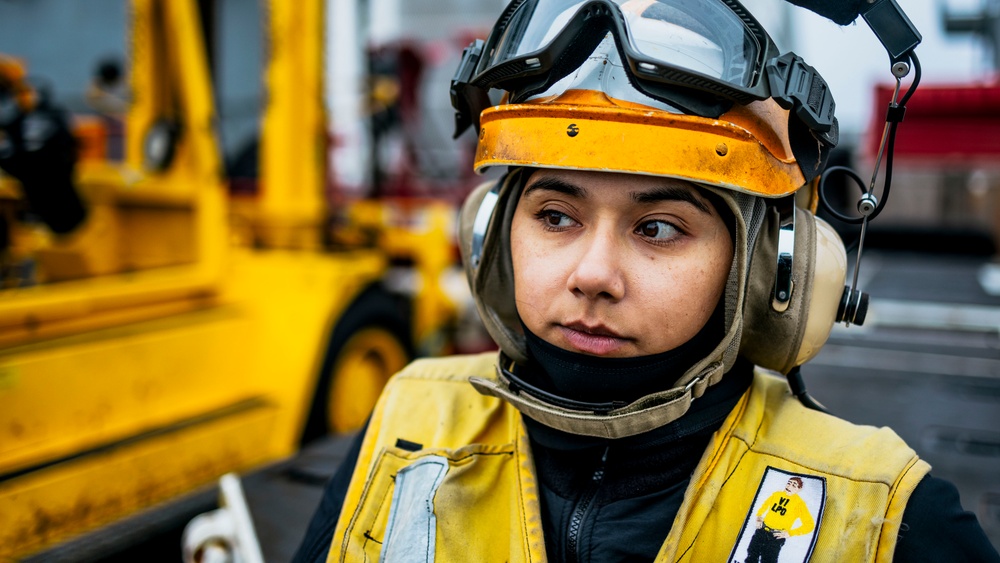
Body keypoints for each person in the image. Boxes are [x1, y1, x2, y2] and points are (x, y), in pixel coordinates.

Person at [294, 1, 1000, 561]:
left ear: (771, 266)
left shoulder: (881, 512)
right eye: (555, 215)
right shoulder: (405, 424)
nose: (593, 275)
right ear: (490, 236)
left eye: (658, 227)